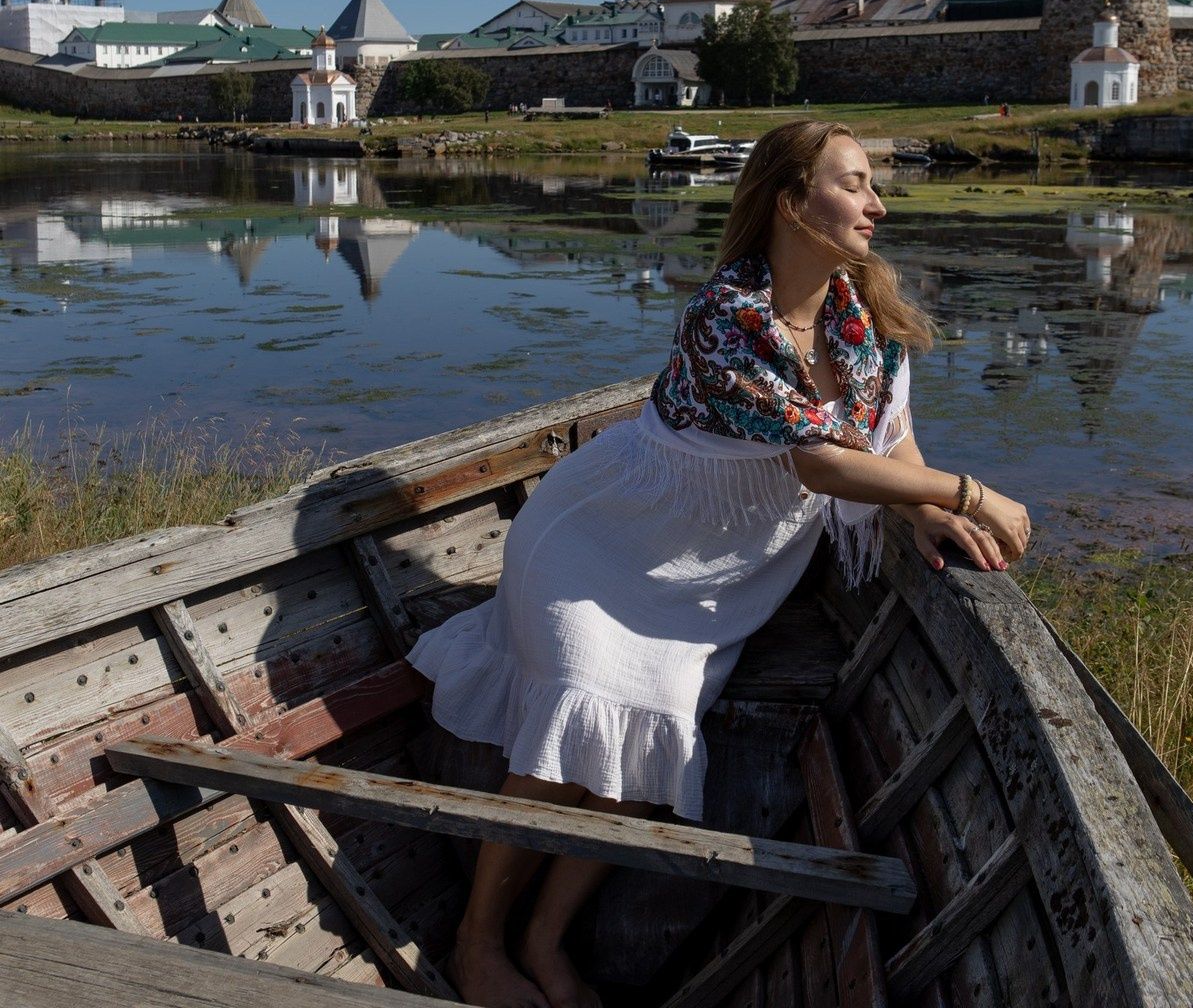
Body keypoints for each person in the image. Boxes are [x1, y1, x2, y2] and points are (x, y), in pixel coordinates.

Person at [408, 119, 1030, 1008]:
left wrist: (921, 505)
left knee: (646, 726)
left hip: (709, 580)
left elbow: (888, 438)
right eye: (854, 184)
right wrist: (969, 493)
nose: (877, 205)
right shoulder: (726, 319)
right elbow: (819, 461)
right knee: (578, 707)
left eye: (873, 185)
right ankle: (478, 943)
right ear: (789, 201)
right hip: (601, 545)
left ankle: (545, 945)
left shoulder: (865, 318)